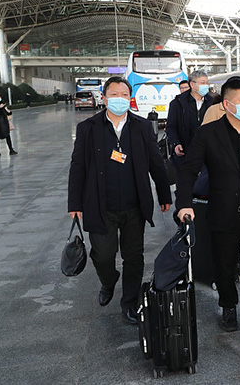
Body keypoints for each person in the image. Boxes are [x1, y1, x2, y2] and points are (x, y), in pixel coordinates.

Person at [175, 76, 240, 349]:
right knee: (224, 268)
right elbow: (188, 171)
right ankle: (229, 305)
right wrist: (184, 203)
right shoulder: (208, 134)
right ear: (227, 104)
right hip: (223, 213)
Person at [67, 76, 172, 324]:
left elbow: (156, 163)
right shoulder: (88, 128)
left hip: (134, 206)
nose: (119, 99)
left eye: (124, 95)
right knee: (102, 256)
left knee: (134, 257)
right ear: (104, 98)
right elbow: (78, 166)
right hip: (100, 204)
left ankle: (130, 303)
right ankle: (109, 280)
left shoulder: (142, 127)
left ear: (130, 98)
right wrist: (74, 203)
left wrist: (164, 193)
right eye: (114, 95)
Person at [166, 70, 214, 169]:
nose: (206, 85)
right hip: (185, 153)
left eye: (207, 83)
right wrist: (176, 143)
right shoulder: (178, 103)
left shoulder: (212, 103)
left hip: (208, 153)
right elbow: (171, 127)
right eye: (202, 83)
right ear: (192, 84)